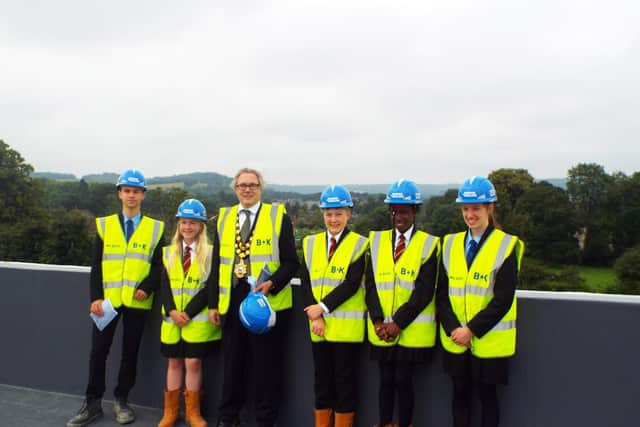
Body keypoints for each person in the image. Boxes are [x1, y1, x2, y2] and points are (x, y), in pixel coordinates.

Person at [67, 169, 165, 427]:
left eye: (136, 191)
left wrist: (148, 286)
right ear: (120, 193)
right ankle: (92, 403)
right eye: (127, 191)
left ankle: (122, 400)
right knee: (98, 352)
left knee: (129, 353)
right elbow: (96, 265)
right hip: (107, 302)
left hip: (138, 301)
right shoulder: (104, 225)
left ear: (143, 195)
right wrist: (96, 297)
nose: (131, 195)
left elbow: (159, 266)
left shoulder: (156, 229)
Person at [209, 168, 299, 427]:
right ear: (235, 189)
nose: (247, 189)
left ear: (261, 188)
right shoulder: (224, 218)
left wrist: (273, 283)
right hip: (232, 300)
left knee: (266, 368)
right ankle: (228, 417)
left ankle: (265, 420)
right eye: (242, 185)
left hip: (266, 303)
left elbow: (292, 263)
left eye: (252, 185)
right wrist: (214, 303)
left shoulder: (276, 216)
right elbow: (217, 265)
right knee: (233, 364)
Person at [436, 176, 524, 427]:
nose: (470, 214)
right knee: (459, 397)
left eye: (475, 208)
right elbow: (441, 293)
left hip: (487, 342)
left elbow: (503, 299)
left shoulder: (506, 245)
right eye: (465, 209)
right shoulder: (449, 243)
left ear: (489, 208)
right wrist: (454, 329)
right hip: (455, 340)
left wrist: (470, 330)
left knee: (488, 399)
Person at [365, 179, 440, 427]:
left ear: (415, 211)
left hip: (409, 331)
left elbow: (424, 292)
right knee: (385, 380)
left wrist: (397, 324)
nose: (399, 216)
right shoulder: (376, 241)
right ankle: (384, 423)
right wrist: (378, 320)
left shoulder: (429, 244)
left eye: (404, 211)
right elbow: (371, 285)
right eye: (394, 210)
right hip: (381, 328)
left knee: (403, 381)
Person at [301, 185, 368, 427]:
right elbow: (306, 281)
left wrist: (322, 308)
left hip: (346, 331)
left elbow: (351, 284)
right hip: (318, 328)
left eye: (338, 213)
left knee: (345, 384)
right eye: (328, 213)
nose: (333, 219)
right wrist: (315, 315)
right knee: (321, 382)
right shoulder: (310, 243)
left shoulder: (361, 245)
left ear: (349, 214)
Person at [157, 199, 221, 427]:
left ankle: (193, 413)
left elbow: (210, 287)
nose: (187, 227)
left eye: (193, 223)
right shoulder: (167, 253)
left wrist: (189, 313)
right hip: (172, 319)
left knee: (193, 363)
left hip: (197, 321)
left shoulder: (212, 254)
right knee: (174, 363)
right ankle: (170, 412)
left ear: (201, 226)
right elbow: (163, 286)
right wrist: (173, 311)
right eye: (184, 222)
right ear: (178, 224)